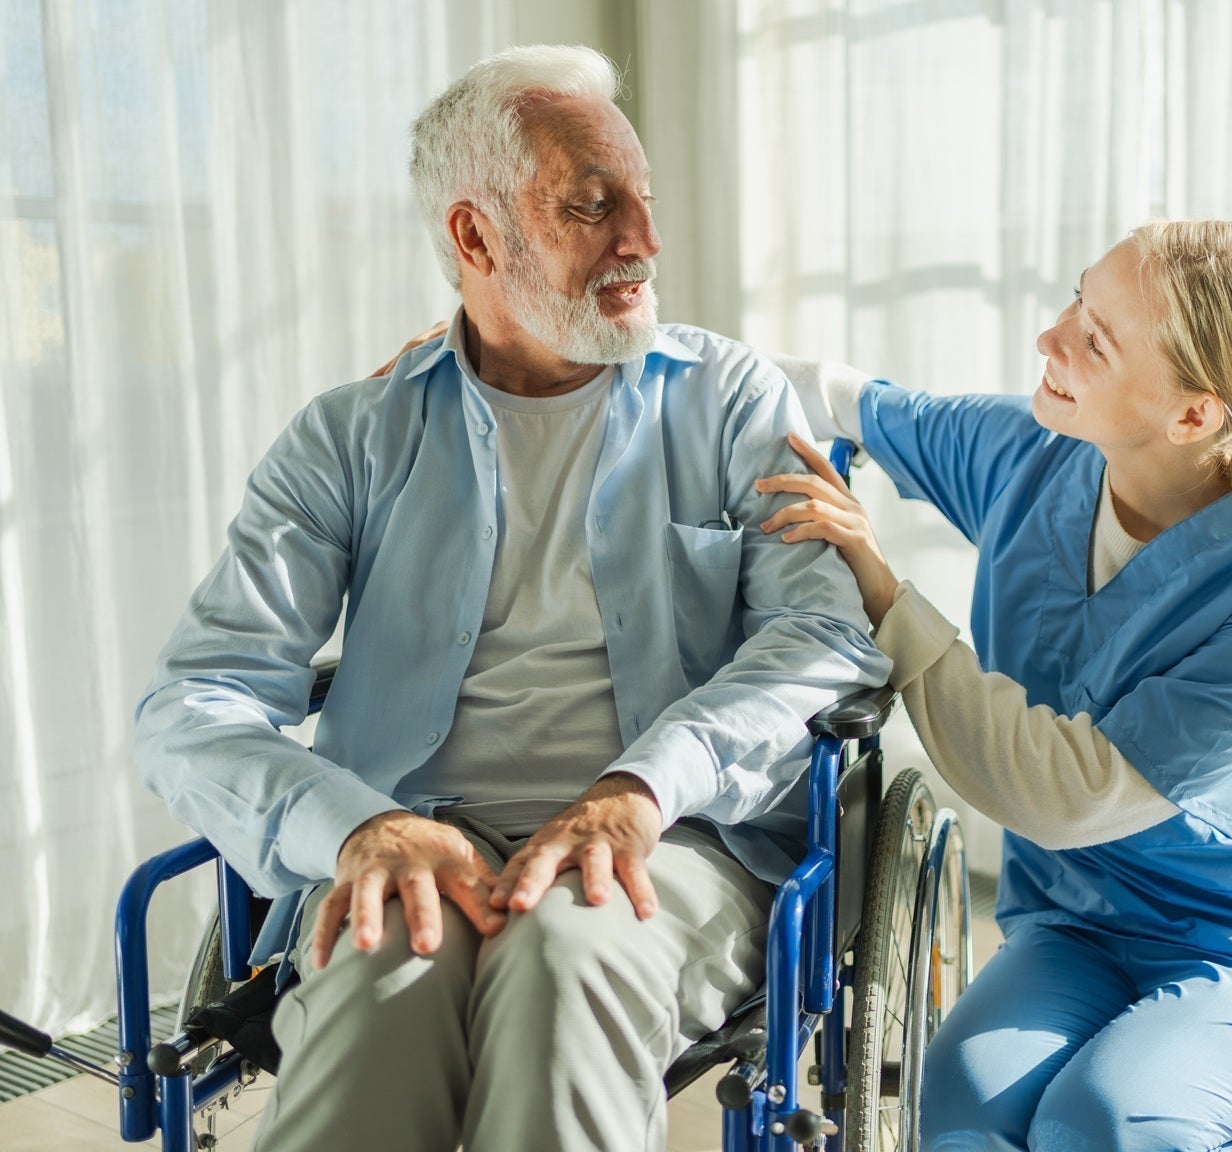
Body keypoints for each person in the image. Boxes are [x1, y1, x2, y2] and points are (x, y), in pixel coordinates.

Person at [133, 45, 887, 1152]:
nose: (644, 240)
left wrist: (641, 786)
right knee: (373, 997)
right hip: (414, 832)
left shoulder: (729, 399)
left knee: (567, 952)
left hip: (674, 840)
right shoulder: (352, 435)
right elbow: (192, 703)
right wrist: (356, 829)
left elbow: (821, 636)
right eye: (592, 205)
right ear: (475, 237)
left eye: (643, 200)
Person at [760, 219, 1232, 1151]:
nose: (1051, 339)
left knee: (1103, 1124)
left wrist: (886, 593)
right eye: (1076, 302)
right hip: (1073, 928)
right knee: (959, 1125)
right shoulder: (1030, 456)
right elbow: (831, 394)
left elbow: (1068, 792)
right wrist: (544, 352)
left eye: (1096, 340)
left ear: (1191, 415)